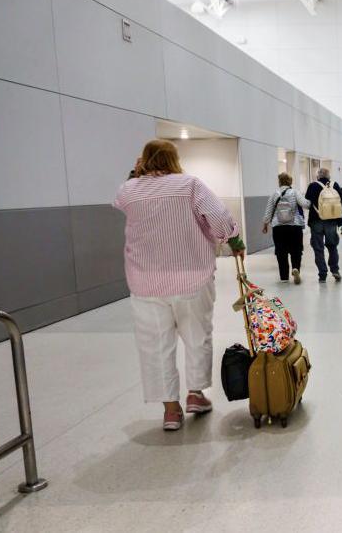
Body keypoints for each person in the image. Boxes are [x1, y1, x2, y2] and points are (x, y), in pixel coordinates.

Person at [114, 139, 245, 432]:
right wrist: (233, 239)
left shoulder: (129, 190)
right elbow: (219, 218)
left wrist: (137, 174)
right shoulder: (189, 185)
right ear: (174, 159)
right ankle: (196, 395)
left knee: (155, 346)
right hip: (192, 278)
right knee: (197, 336)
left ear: (144, 159)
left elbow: (122, 198)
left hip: (145, 282)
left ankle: (171, 411)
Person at [262, 173, 310, 284]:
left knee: (281, 252)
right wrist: (311, 202)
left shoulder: (275, 194)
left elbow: (268, 211)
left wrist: (265, 224)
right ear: (290, 181)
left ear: (279, 181)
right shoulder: (295, 192)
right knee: (296, 250)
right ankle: (296, 268)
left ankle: (284, 277)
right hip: (295, 226)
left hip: (278, 227)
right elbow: (305, 204)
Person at [305, 168, 342, 283]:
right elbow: (341, 204)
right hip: (331, 221)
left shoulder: (312, 186)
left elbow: (307, 203)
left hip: (316, 221)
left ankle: (322, 274)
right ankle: (335, 270)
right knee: (332, 246)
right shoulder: (335, 185)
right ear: (329, 176)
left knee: (318, 248)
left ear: (318, 176)